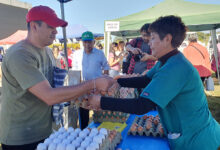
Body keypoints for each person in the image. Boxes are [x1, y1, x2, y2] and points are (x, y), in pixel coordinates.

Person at [88, 15, 220, 150]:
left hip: (197, 140)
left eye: (153, 38)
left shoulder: (175, 68)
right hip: (191, 133)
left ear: (167, 39)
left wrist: (101, 102)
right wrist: (117, 81)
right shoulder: (167, 61)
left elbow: (142, 106)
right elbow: (146, 79)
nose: (149, 43)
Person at [0, 6, 113, 150]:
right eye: (50, 26)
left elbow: (54, 87)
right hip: (21, 138)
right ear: (34, 26)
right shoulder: (20, 55)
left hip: (45, 131)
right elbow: (49, 96)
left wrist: (82, 96)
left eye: (56, 27)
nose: (56, 31)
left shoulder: (47, 51)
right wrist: (93, 84)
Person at [72, 31, 109, 129]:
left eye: (89, 42)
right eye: (85, 42)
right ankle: (84, 131)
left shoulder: (99, 53)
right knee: (83, 111)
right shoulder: (77, 54)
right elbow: (74, 70)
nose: (87, 44)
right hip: (82, 88)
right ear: (82, 43)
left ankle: (101, 133)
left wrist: (105, 83)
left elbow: (106, 67)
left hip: (96, 88)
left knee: (98, 112)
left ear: (94, 42)